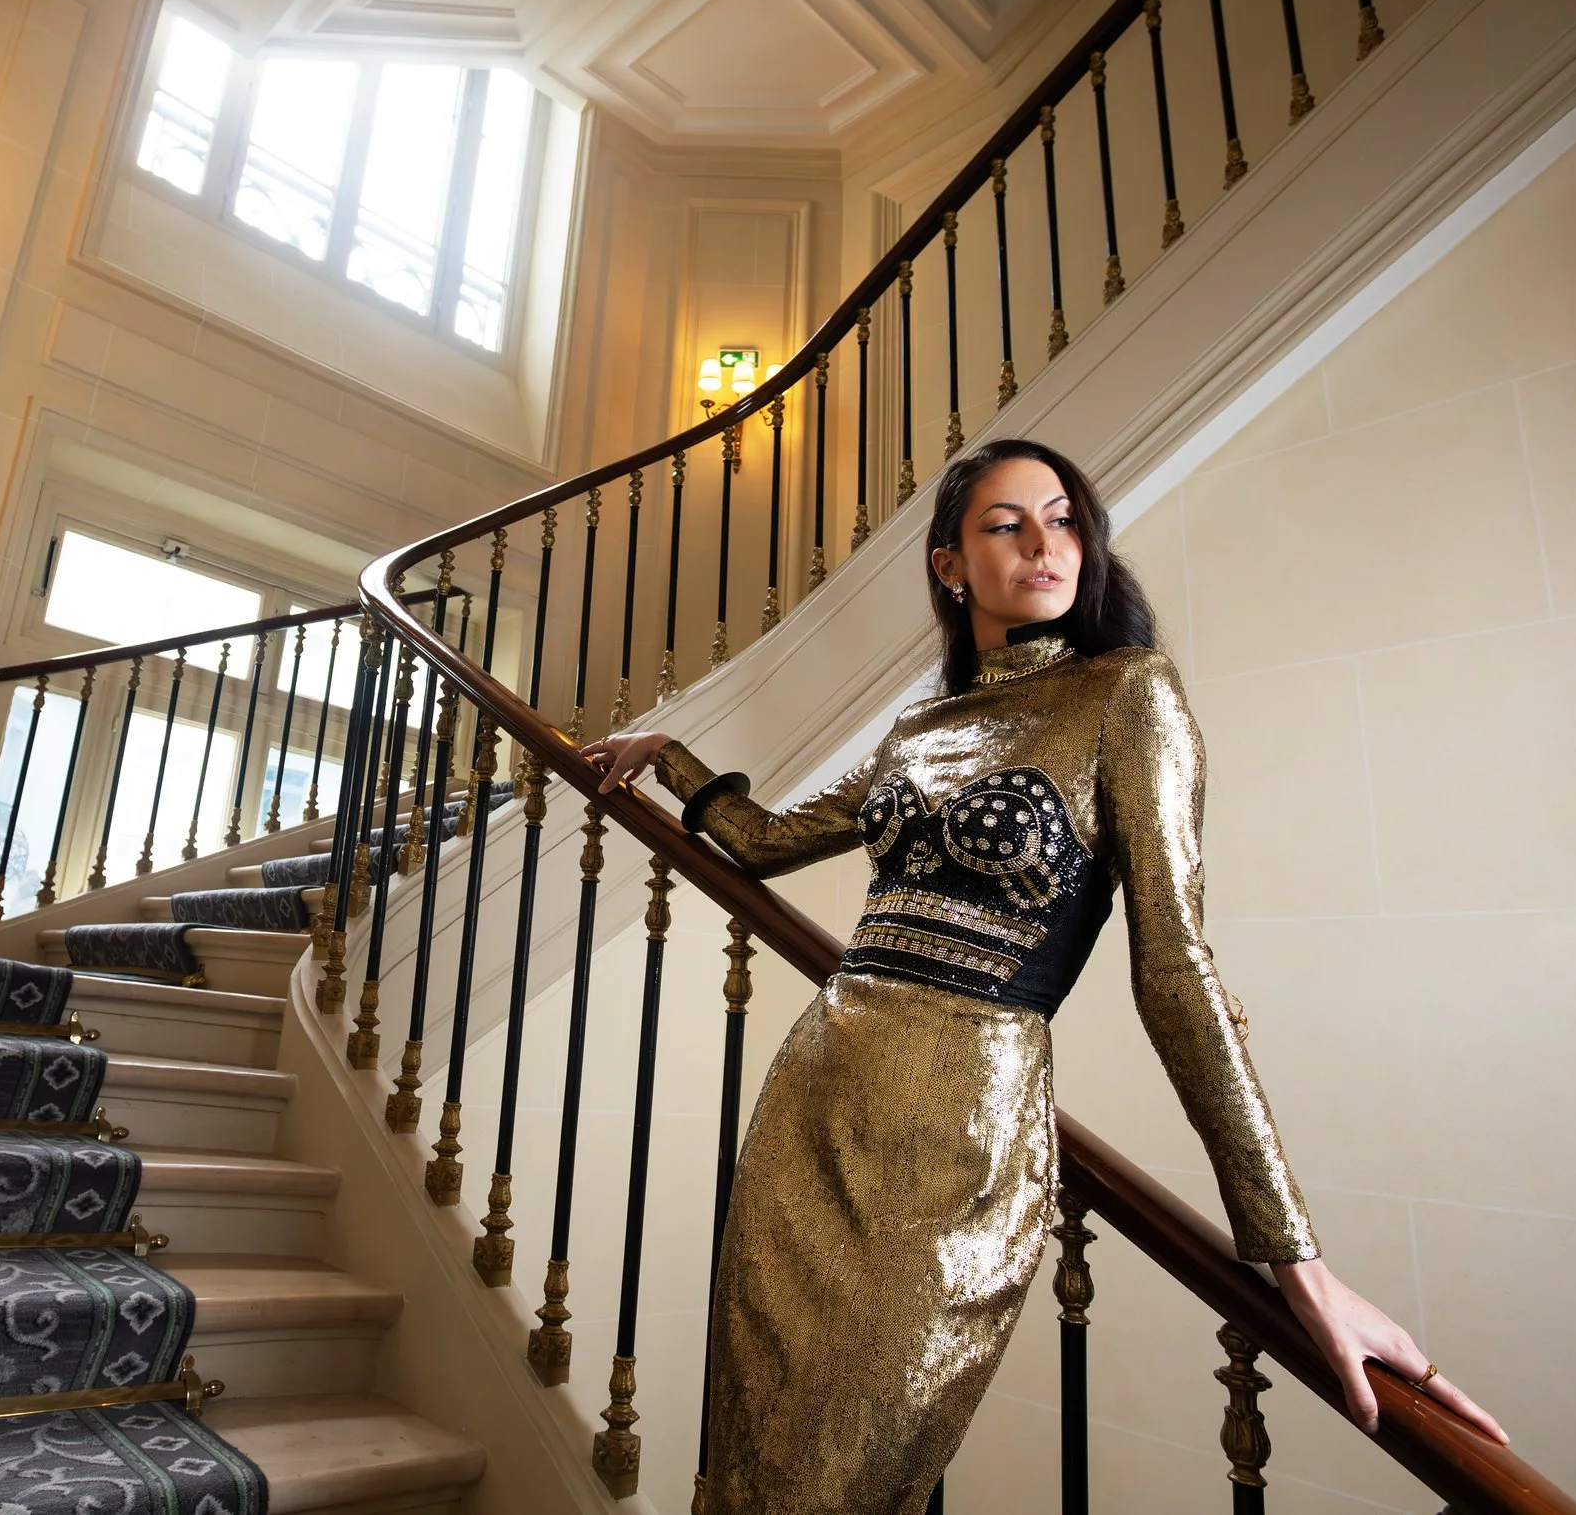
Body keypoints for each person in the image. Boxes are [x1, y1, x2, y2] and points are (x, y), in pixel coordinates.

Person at [583, 439, 1504, 1515]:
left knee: (843, 1473)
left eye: (1063, 518)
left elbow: (1176, 970)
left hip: (962, 1130)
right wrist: (670, 756)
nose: (1042, 543)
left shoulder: (1127, 693)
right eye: (1005, 524)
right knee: (751, 1461)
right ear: (949, 565)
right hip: (816, 1097)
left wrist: (1296, 1258)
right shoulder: (919, 724)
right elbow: (766, 838)